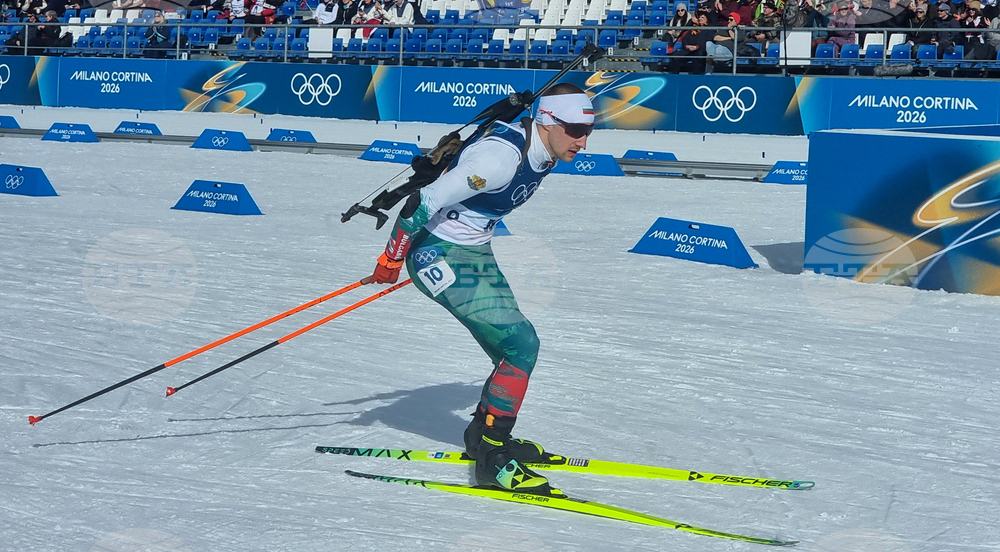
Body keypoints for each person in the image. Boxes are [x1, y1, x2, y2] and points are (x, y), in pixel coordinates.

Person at [363, 83, 596, 495]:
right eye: (574, 129)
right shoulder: (498, 159)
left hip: (475, 250)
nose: (581, 139)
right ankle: (493, 459)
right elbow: (421, 203)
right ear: (546, 121)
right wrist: (390, 261)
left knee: (510, 353)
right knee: (521, 346)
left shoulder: (547, 145)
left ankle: (482, 438)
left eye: (588, 130)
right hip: (438, 254)